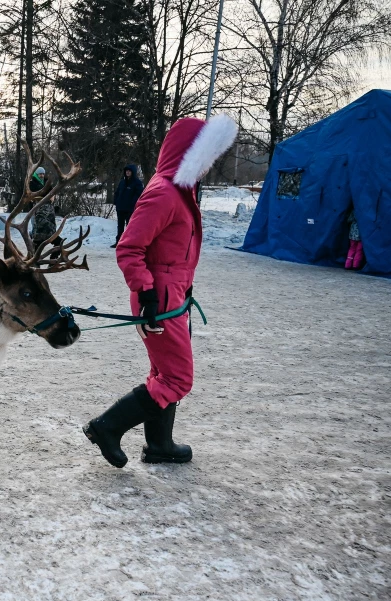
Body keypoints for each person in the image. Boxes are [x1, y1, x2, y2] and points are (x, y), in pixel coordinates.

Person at [83, 114, 237, 468]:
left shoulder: (180, 193)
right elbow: (129, 248)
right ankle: (107, 427)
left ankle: (159, 444)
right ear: (188, 155)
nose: (206, 167)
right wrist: (148, 295)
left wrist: (181, 289)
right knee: (179, 377)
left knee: (164, 373)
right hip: (159, 296)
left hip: (172, 293)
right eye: (204, 157)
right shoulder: (164, 193)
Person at [111, 164, 144, 248]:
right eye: (126, 171)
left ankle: (130, 243)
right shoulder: (122, 182)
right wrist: (116, 201)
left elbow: (138, 195)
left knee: (130, 226)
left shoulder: (137, 183)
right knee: (120, 226)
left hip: (130, 209)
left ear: (133, 172)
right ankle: (118, 242)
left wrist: (133, 204)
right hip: (120, 208)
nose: (127, 172)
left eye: (129, 171)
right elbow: (117, 192)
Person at [29, 167, 59, 249]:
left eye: (43, 174)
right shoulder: (32, 183)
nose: (42, 175)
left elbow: (52, 191)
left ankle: (51, 237)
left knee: (49, 224)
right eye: (40, 174)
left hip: (48, 208)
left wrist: (52, 196)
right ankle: (34, 240)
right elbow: (32, 195)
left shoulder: (47, 182)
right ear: (36, 174)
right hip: (37, 208)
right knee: (37, 224)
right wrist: (46, 196)